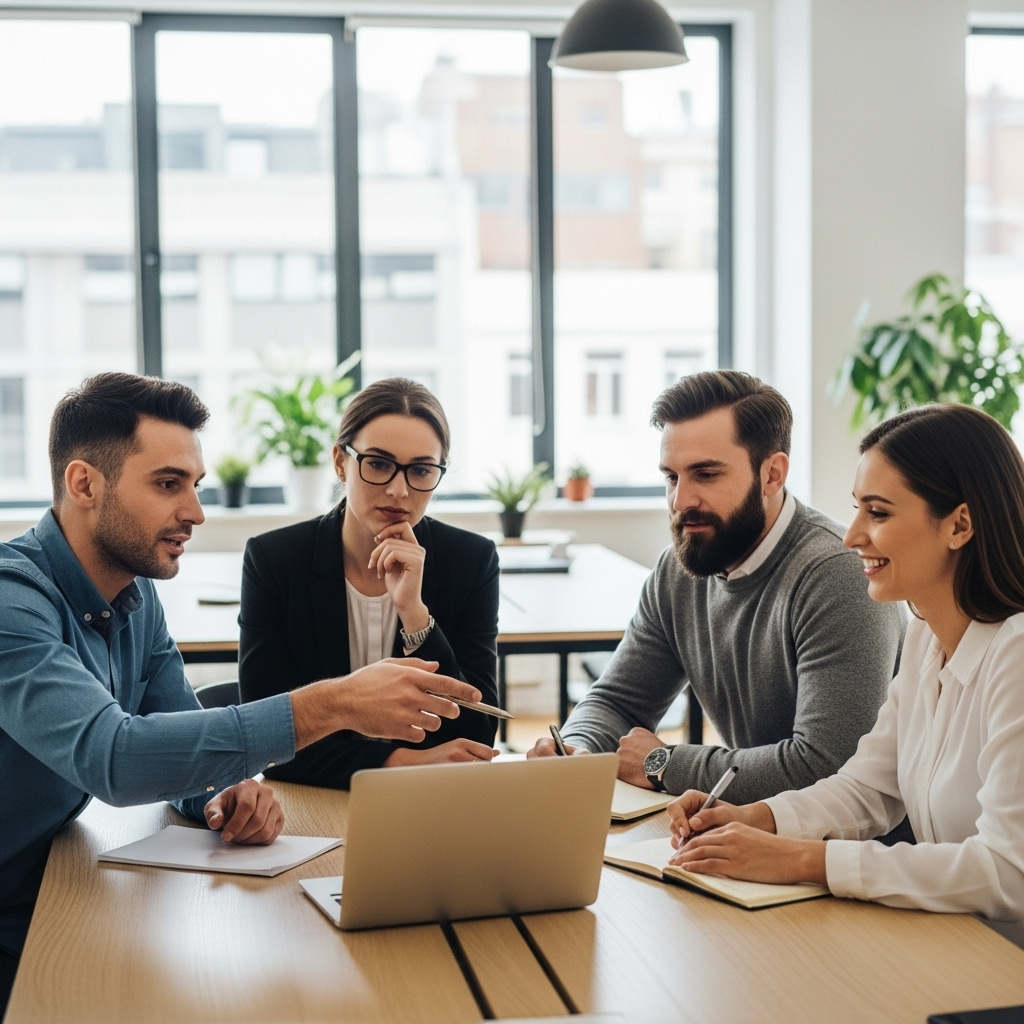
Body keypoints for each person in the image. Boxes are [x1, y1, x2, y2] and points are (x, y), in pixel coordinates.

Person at [0, 374, 481, 1014]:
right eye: (168, 484)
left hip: (48, 885)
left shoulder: (135, 598)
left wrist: (221, 794)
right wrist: (333, 703)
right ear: (84, 485)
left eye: (195, 486)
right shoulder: (12, 603)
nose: (196, 512)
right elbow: (113, 757)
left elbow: (175, 726)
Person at [665, 403, 1024, 926]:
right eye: (857, 509)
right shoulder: (928, 633)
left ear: (959, 524)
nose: (851, 535)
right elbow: (869, 788)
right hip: (956, 940)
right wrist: (755, 818)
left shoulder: (1016, 654)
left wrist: (802, 860)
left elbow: (1009, 871)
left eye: (877, 513)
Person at [528, 370, 905, 812]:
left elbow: (826, 766)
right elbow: (618, 703)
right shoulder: (681, 569)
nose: (680, 501)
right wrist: (575, 751)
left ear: (772, 474)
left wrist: (663, 763)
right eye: (672, 477)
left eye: (705, 475)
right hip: (751, 831)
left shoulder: (837, 574)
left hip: (856, 846)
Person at [239, 377, 500, 787]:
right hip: (311, 802)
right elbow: (265, 738)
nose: (399, 490)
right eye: (378, 464)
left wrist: (415, 614)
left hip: (427, 803)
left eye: (420, 470)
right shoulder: (275, 560)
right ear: (340, 462)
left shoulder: (469, 560)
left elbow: (477, 735)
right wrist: (399, 763)